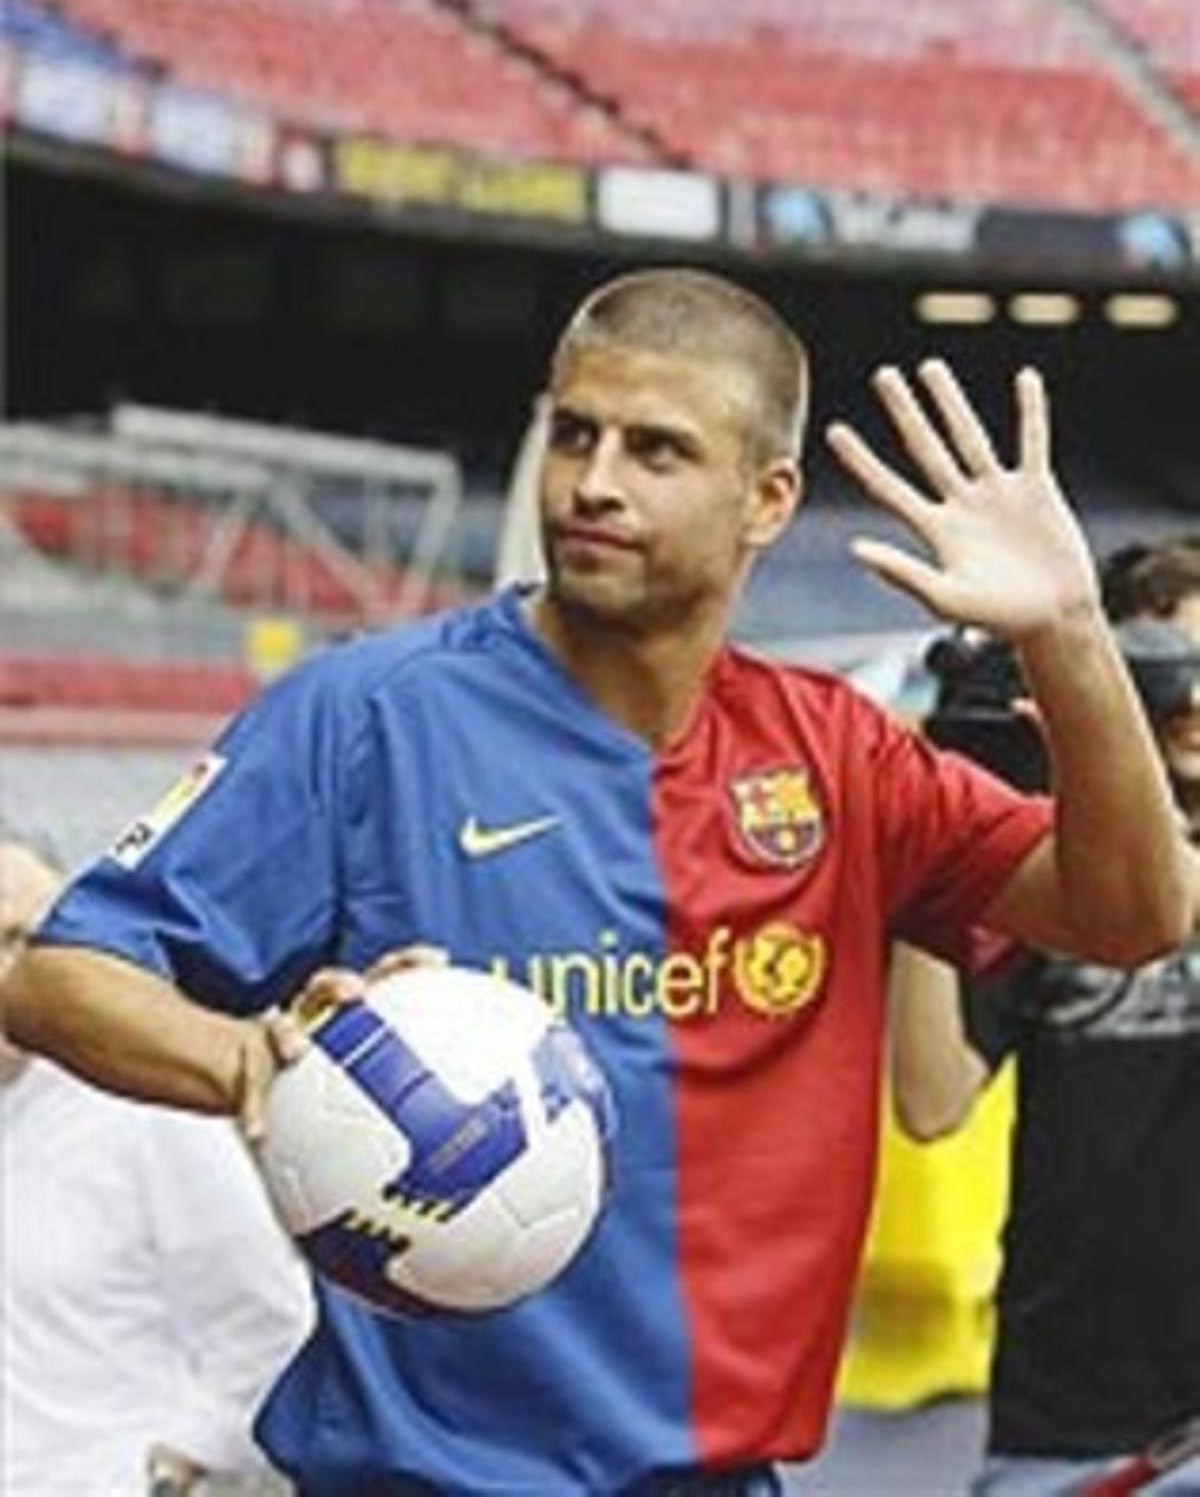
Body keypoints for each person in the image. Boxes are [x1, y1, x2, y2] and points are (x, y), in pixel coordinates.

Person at [0, 269, 1191, 1497]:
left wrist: (1066, 633)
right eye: (576, 433)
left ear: (767, 499)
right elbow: (57, 978)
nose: (595, 482)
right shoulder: (366, 717)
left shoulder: (841, 757)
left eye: (658, 450)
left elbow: (1131, 916)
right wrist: (255, 1064)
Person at [890, 536, 1200, 1496]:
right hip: (1073, 1425)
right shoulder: (1044, 870)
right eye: (1163, 667)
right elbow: (932, 1099)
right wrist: (936, 848)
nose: (1193, 699)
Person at [0, 836, 315, 1497]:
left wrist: (167, 1471)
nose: (12, 975)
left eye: (27, 942)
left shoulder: (141, 1110)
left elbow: (270, 1329)